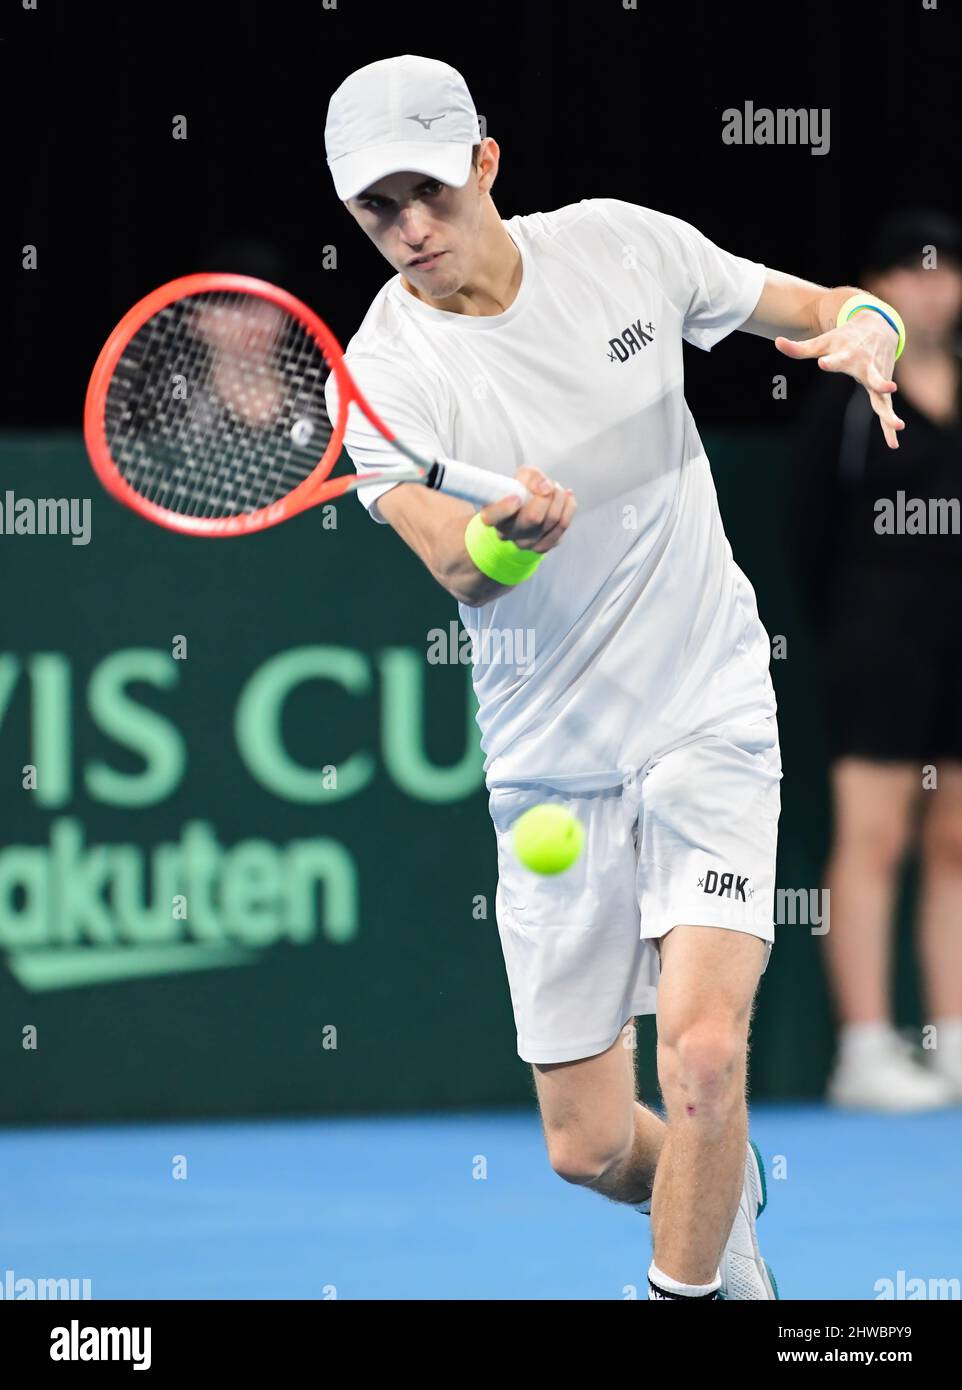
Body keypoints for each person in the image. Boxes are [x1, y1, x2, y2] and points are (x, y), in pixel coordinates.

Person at [323, 54, 905, 1301]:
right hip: (548, 762)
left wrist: (867, 327)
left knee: (702, 1055)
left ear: (485, 161)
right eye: (377, 209)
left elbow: (820, 306)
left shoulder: (622, 249)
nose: (410, 230)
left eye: (428, 189)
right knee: (587, 1148)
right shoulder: (377, 368)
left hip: (707, 710)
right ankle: (720, 1183)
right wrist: (501, 540)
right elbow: (448, 561)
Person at [792, 209, 962, 1112]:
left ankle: (952, 1041)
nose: (933, 286)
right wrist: (862, 627)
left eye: (945, 271)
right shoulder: (851, 398)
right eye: (911, 271)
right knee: (876, 841)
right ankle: (863, 1049)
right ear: (878, 288)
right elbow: (809, 530)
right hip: (880, 644)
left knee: (956, 842)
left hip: (956, 654)